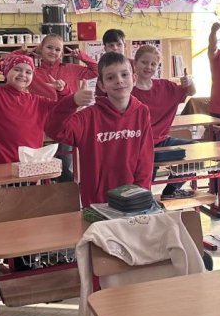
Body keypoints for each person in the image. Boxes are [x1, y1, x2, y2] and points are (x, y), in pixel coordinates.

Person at [46, 52, 154, 207]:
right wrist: (72, 101)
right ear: (102, 85)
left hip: (133, 199)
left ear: (134, 78)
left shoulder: (142, 112)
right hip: (97, 202)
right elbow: (53, 129)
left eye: (124, 75)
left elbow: (145, 157)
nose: (119, 81)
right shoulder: (89, 116)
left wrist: (142, 192)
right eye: (110, 77)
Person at [28, 35, 99, 182]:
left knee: (64, 167)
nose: (53, 52)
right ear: (40, 48)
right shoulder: (32, 72)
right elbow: (5, 67)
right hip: (41, 125)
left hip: (67, 123)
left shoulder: (71, 69)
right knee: (41, 167)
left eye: (57, 49)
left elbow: (97, 71)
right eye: (49, 47)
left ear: (61, 53)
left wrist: (82, 56)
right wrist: (23, 53)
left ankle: (68, 189)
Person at [130, 44, 196, 199]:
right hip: (138, 145)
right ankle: (143, 199)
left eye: (153, 64)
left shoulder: (165, 86)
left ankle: (171, 190)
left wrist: (189, 82)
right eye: (144, 62)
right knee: (144, 187)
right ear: (135, 63)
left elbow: (191, 91)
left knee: (195, 151)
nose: (149, 67)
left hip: (163, 141)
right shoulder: (128, 90)